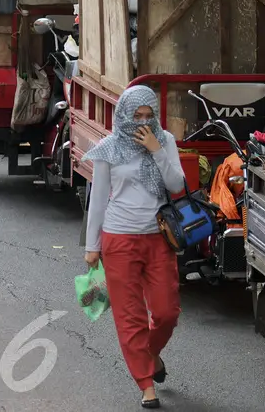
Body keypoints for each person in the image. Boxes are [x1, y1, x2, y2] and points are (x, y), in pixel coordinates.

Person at [82, 85, 185, 409]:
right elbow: (97, 200)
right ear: (124, 115)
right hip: (119, 239)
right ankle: (146, 385)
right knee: (130, 318)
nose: (142, 122)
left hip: (158, 237)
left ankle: (150, 355)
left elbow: (177, 185)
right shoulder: (108, 148)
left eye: (148, 115)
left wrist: (156, 149)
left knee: (167, 312)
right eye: (136, 116)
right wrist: (92, 246)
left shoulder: (164, 140)